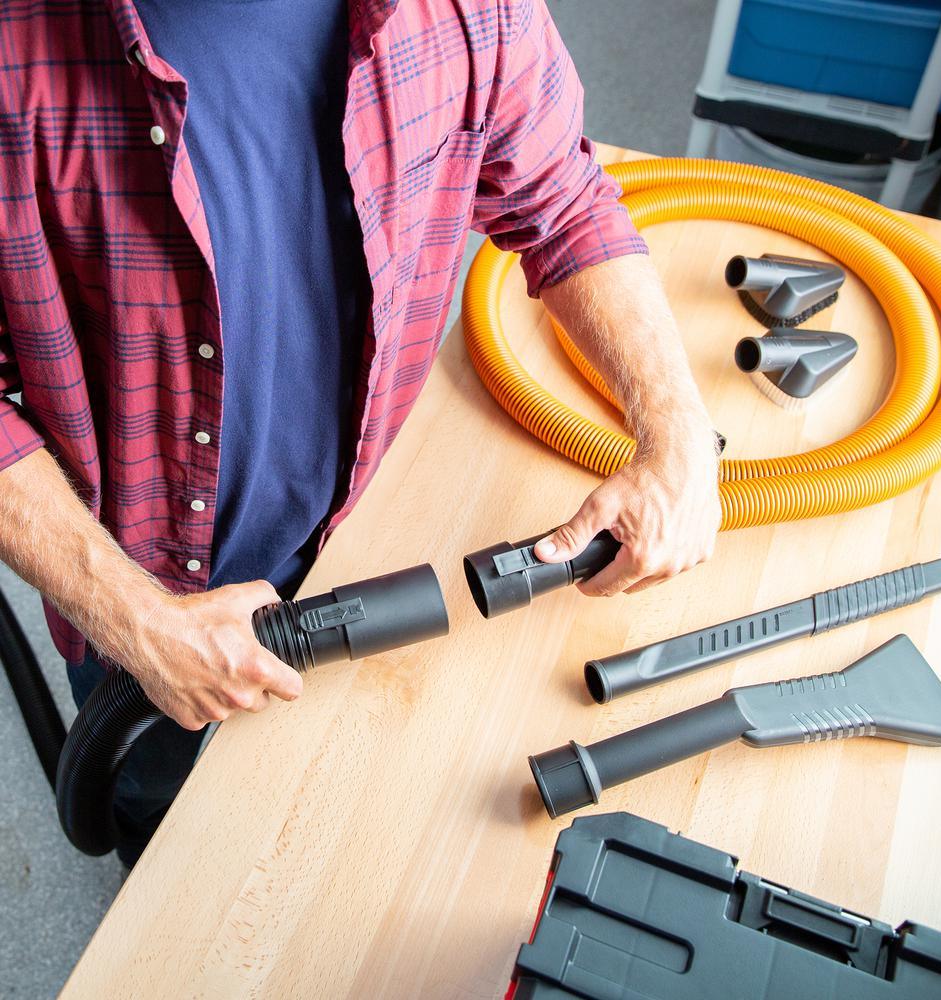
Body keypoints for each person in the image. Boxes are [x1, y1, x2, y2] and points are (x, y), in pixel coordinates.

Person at [0, 0, 719, 866]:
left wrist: (678, 437)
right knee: (170, 845)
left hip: (366, 549)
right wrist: (138, 624)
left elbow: (562, 200)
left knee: (335, 840)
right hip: (146, 610)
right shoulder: (18, 50)